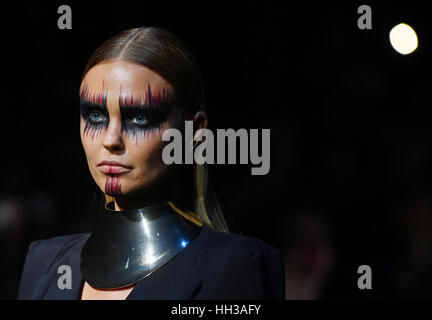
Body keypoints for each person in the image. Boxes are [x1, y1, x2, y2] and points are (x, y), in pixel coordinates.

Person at [17, 26, 285, 300]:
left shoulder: (235, 265)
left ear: (193, 133)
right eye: (95, 115)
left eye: (139, 118)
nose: (111, 140)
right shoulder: (45, 264)